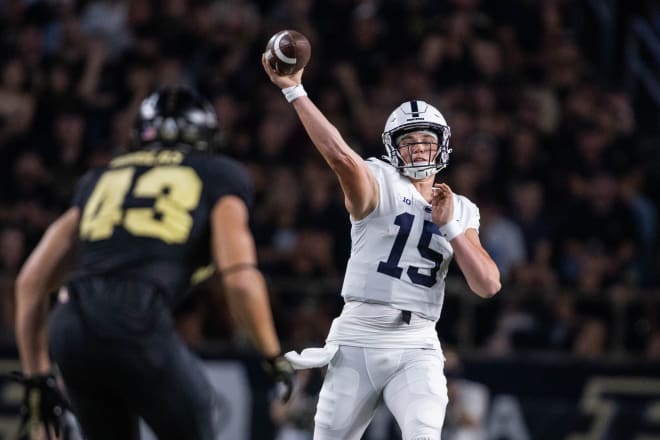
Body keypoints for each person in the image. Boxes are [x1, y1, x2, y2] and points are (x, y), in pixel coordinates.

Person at [14, 85, 294, 440]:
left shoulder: (102, 175)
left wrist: (36, 377)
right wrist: (272, 355)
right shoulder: (219, 174)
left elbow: (31, 281)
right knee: (196, 417)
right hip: (135, 317)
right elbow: (239, 278)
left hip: (71, 326)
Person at [262, 55, 501, 440]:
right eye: (409, 141)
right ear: (394, 148)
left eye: (427, 140)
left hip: (418, 341)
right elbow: (340, 156)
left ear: (443, 146)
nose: (420, 149)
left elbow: (488, 285)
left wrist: (452, 228)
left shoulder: (461, 208)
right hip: (359, 335)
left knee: (425, 433)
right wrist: (294, 90)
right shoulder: (379, 181)